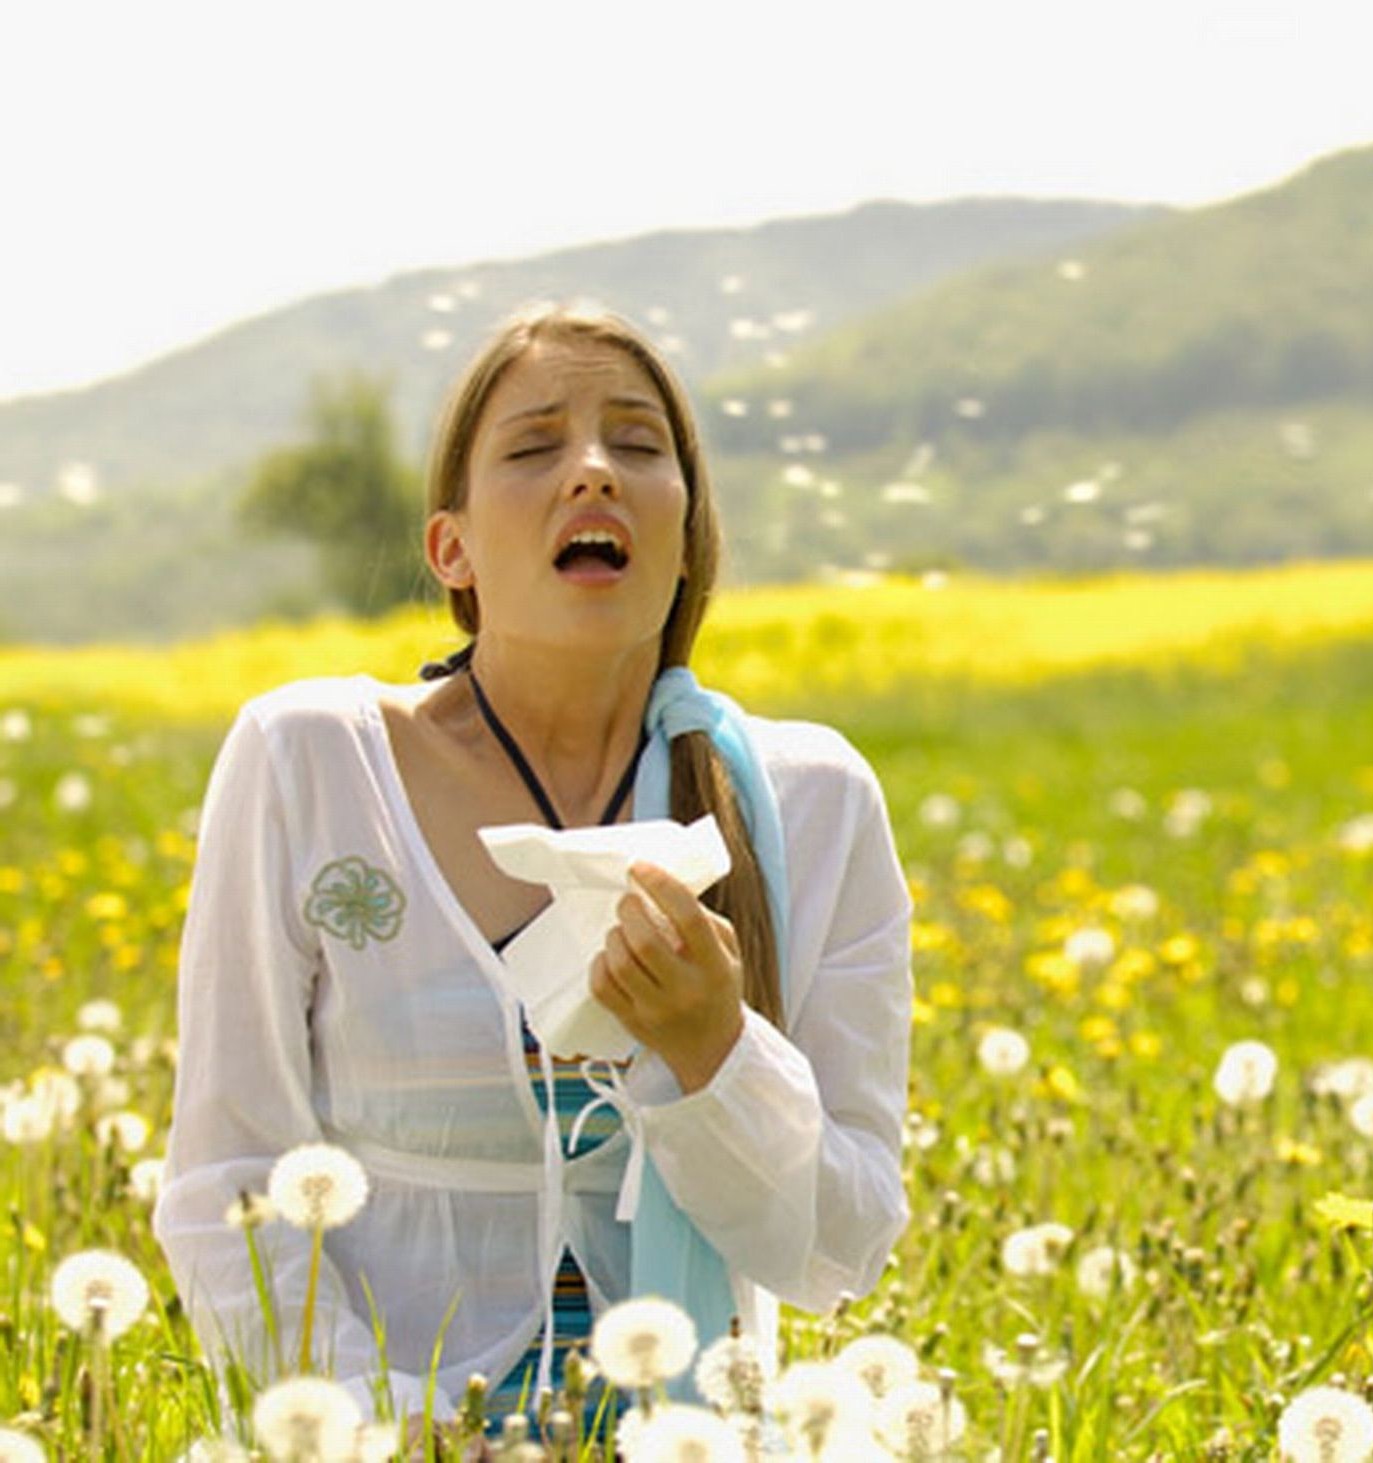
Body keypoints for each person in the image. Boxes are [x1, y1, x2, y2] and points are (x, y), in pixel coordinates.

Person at [154, 299, 914, 1436]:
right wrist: (381, 1435)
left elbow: (838, 1246)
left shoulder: (812, 802)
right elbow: (230, 1186)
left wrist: (717, 1053)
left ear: (687, 530)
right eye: (534, 445)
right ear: (450, 547)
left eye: (639, 445)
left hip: (686, 1432)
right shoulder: (308, 762)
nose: (593, 471)